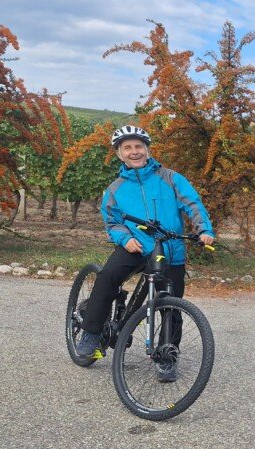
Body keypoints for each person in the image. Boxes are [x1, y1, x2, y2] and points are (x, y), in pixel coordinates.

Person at [75, 125, 215, 382]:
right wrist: (124, 238)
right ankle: (91, 333)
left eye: (138, 146)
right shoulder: (115, 189)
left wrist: (204, 229)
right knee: (107, 277)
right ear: (119, 154)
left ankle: (167, 355)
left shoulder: (171, 178)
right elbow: (111, 221)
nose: (134, 152)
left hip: (169, 248)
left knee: (171, 305)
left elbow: (193, 204)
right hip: (135, 245)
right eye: (127, 148)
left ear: (148, 150)